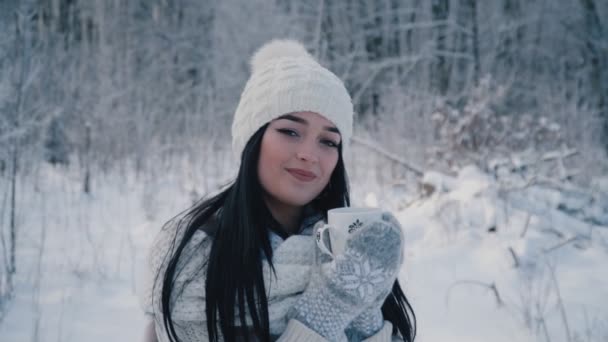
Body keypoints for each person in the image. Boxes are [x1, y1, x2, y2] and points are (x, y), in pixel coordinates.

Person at [140, 39, 416, 342]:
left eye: (328, 141)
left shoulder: (345, 250)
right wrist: (323, 315)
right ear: (252, 139)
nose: (309, 154)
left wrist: (365, 311)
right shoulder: (193, 256)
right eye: (290, 131)